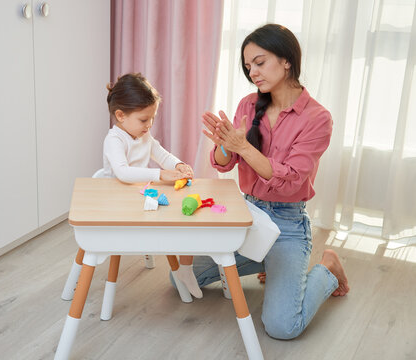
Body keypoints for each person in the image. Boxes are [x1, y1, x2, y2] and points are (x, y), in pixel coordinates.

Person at [199, 24, 350, 339]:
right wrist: (226, 144)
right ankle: (266, 262)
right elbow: (223, 164)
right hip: (248, 215)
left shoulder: (317, 118)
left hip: (287, 224)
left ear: (286, 61)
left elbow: (291, 180)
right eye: (247, 66)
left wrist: (242, 146)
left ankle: (328, 268)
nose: (252, 72)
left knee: (283, 327)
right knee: (185, 278)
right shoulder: (247, 104)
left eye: (259, 61)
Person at [103, 72, 202, 298]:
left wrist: (179, 165)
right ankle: (181, 266)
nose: (149, 125)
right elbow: (123, 172)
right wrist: (162, 175)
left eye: (152, 119)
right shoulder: (114, 140)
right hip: (117, 204)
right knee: (172, 218)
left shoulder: (143, 135)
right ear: (120, 115)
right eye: (144, 120)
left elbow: (162, 154)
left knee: (186, 214)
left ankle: (185, 267)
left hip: (139, 197)